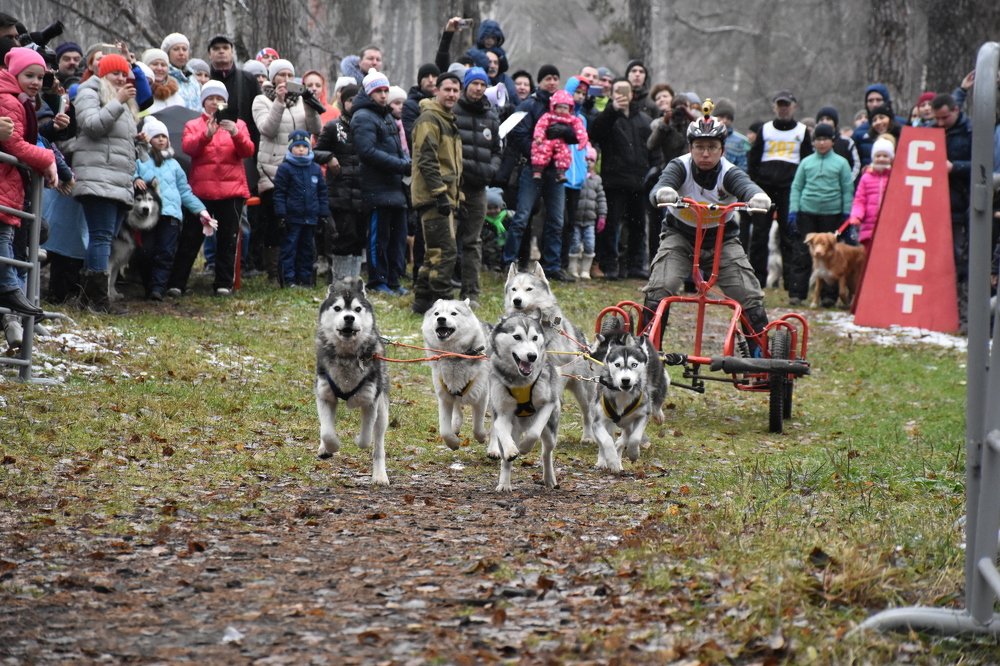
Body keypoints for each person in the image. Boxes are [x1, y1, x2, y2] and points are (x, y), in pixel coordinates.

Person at [644, 110, 772, 352]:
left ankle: (760, 359)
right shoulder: (679, 166)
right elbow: (660, 187)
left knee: (748, 293)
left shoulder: (729, 172)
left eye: (712, 147)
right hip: (679, 236)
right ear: (690, 148)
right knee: (661, 286)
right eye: (699, 146)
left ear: (722, 150)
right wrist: (664, 193)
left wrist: (757, 197)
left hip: (721, 240)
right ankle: (646, 352)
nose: (705, 153)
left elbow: (746, 186)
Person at [170, 80, 254, 296]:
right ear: (203, 102)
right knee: (190, 237)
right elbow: (189, 148)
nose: (215, 103)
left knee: (227, 238)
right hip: (201, 192)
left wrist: (235, 132)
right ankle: (177, 283)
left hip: (231, 191)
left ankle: (223, 283)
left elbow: (248, 151)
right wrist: (206, 134)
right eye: (210, 99)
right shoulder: (193, 124)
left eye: (219, 99)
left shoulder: (239, 124)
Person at [72, 52, 141, 313]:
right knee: (101, 237)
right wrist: (118, 103)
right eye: (115, 73)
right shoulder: (90, 91)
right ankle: (99, 301)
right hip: (97, 176)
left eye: (124, 73)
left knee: (105, 238)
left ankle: (87, 298)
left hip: (118, 180)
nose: (121, 78)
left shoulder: (120, 99)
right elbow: (91, 125)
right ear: (103, 74)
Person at [252, 58, 322, 284]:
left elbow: (316, 130)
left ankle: (300, 272)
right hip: (273, 171)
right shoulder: (261, 100)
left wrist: (311, 106)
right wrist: (279, 101)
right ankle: (275, 273)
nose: (285, 79)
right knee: (275, 222)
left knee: (299, 224)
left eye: (288, 75)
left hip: (300, 171)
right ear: (272, 78)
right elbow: (267, 129)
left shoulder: (301, 101)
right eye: (280, 75)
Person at [0, 47, 57, 317]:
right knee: (3, 238)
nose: (36, 82)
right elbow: (16, 144)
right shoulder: (10, 100)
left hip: (10, 184)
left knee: (8, 237)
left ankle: (12, 292)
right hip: (4, 181)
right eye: (29, 75)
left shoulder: (20, 100)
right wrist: (46, 159)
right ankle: (10, 290)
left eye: (40, 77)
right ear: (14, 74)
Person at [502, 64, 572, 280]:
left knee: (556, 220)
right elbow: (517, 134)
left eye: (555, 78)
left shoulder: (565, 104)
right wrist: (540, 151)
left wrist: (565, 132)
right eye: (547, 78)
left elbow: (577, 131)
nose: (551, 82)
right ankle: (508, 263)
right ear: (540, 81)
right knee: (521, 217)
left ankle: (552, 266)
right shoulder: (529, 104)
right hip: (533, 168)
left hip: (556, 170)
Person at [133, 117, 212, 300]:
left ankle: (158, 288)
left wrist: (201, 210)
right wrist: (135, 179)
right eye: (156, 136)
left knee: (166, 252)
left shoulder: (175, 165)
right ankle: (148, 284)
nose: (161, 139)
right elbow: (131, 172)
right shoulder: (141, 161)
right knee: (146, 251)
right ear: (149, 140)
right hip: (148, 216)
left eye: (164, 136)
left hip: (171, 215)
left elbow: (185, 191)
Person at [747, 89, 812, 300]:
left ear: (793, 106)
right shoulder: (765, 129)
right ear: (775, 107)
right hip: (765, 188)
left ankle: (790, 283)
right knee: (759, 234)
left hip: (789, 189)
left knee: (790, 235)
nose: (783, 108)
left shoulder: (802, 131)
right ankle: (757, 278)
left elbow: (806, 160)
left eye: (787, 105)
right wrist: (755, 182)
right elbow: (754, 158)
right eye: (780, 105)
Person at [351, 69, 411, 295]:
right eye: (378, 91)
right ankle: (378, 281)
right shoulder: (363, 117)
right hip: (376, 188)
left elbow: (397, 149)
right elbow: (367, 152)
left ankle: (394, 280)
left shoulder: (386, 116)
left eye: (386, 90)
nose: (384, 95)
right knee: (379, 238)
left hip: (395, 187)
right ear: (368, 93)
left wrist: (406, 162)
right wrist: (401, 165)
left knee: (397, 237)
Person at [410, 71, 462, 314]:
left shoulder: (447, 118)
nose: (451, 94)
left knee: (434, 253)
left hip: (445, 195)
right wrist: (440, 193)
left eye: (455, 90)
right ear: (437, 91)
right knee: (445, 253)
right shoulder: (430, 118)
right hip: (434, 196)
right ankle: (447, 306)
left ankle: (421, 303)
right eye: (447, 89)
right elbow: (426, 159)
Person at [589, 78, 652, 280]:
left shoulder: (644, 119)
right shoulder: (607, 116)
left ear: (632, 93)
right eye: (617, 91)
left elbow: (651, 149)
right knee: (611, 225)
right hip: (614, 182)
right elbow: (595, 133)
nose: (621, 94)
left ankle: (635, 265)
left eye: (625, 91)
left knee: (638, 227)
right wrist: (613, 110)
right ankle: (609, 265)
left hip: (639, 182)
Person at [787, 122, 854, 305]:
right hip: (807, 212)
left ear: (832, 141)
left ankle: (828, 296)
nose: (822, 143)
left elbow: (847, 189)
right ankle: (797, 292)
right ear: (813, 142)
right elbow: (797, 187)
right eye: (818, 139)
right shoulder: (806, 162)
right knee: (802, 251)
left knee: (831, 254)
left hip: (832, 214)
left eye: (825, 139)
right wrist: (793, 210)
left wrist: (847, 213)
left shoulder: (841, 163)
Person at [453, 66, 501, 307]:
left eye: (483, 84)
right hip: (453, 185)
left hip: (478, 187)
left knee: (473, 241)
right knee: (448, 239)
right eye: (475, 83)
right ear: (466, 85)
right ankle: (442, 288)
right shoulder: (452, 109)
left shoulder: (490, 114)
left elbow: (497, 151)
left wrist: (491, 170)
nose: (479, 88)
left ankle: (471, 293)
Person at [314, 83, 365, 283]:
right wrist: (329, 157)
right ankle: (339, 279)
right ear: (343, 102)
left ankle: (354, 278)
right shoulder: (333, 126)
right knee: (343, 236)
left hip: (362, 191)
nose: (354, 104)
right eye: (350, 100)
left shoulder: (365, 125)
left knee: (358, 237)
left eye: (357, 99)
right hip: (339, 191)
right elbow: (315, 152)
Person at [932, 92, 973, 331]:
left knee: (958, 260)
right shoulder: (933, 129)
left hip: (959, 206)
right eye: (936, 119)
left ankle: (960, 315)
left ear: (956, 111)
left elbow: (982, 162)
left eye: (943, 118)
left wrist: (954, 167)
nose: (939, 124)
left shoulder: (970, 131)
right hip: (934, 206)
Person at [272, 129, 329, 286]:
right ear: (291, 148)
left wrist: (323, 212)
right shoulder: (285, 168)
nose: (301, 149)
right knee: (290, 248)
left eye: (304, 146)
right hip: (292, 217)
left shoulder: (315, 169)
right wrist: (281, 213)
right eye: (297, 146)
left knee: (307, 250)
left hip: (311, 218)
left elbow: (322, 192)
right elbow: (280, 192)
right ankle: (288, 279)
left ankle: (305, 279)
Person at [206, 34, 261, 146]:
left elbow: (257, 117)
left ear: (232, 52)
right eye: (216, 48)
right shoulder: (204, 80)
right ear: (209, 54)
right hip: (211, 146)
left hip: (243, 146)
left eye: (225, 48)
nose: (221, 51)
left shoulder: (248, 79)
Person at [846, 136, 894, 256]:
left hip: (889, 227)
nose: (881, 159)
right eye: (878, 156)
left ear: (891, 158)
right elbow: (859, 200)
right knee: (867, 257)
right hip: (868, 226)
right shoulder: (866, 177)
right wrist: (856, 216)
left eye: (885, 156)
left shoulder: (895, 177)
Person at [531, 89, 588, 182]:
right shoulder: (548, 116)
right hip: (547, 140)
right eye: (560, 107)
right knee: (540, 149)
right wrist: (539, 136)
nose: (562, 110)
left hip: (561, 141)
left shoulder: (572, 119)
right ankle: (538, 170)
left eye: (565, 108)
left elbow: (580, 129)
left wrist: (582, 141)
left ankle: (561, 173)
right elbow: (540, 125)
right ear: (554, 106)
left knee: (564, 154)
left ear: (570, 109)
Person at [568, 146, 605, 280]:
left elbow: (601, 199)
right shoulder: (577, 177)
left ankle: (585, 270)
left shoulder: (597, 180)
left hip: (590, 220)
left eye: (592, 160)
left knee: (590, 245)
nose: (589, 162)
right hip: (577, 219)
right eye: (586, 159)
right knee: (575, 244)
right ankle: (572, 268)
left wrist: (602, 215)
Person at [815, 106, 860, 182]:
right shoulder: (814, 142)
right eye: (821, 119)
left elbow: (856, 165)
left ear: (835, 122)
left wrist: (848, 182)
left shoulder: (846, 141)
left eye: (828, 119)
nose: (825, 122)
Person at [161, 33, 201, 112]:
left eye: (184, 49)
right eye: (176, 49)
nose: (181, 53)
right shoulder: (162, 78)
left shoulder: (193, 80)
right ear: (167, 54)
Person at [403, 63, 439, 147]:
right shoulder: (410, 106)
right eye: (426, 76)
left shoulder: (444, 103)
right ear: (420, 81)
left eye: (434, 76)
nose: (430, 80)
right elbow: (412, 136)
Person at [142, 48, 185, 113]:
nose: (159, 68)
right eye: (155, 64)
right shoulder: (139, 92)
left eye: (163, 65)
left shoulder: (176, 95)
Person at [481, 187, 511, 272]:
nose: (493, 211)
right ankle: (493, 266)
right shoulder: (483, 221)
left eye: (496, 208)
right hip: (489, 248)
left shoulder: (506, 217)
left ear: (501, 207)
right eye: (489, 208)